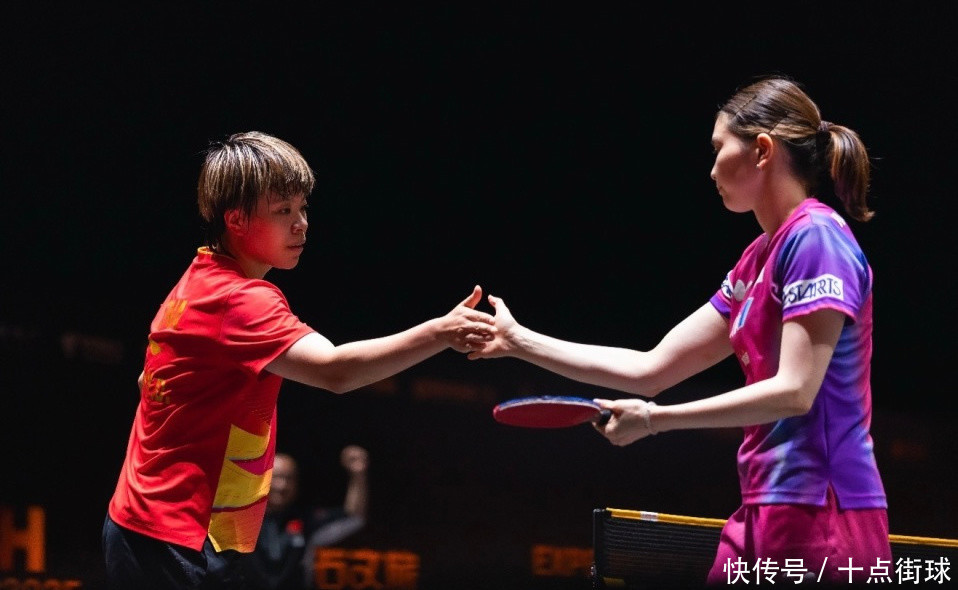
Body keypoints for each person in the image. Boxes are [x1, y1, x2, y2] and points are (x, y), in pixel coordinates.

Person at [469, 76, 891, 585]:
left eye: (718, 149)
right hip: (762, 506)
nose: (711, 169)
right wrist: (518, 341)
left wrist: (655, 420)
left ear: (762, 150)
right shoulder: (758, 259)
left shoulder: (816, 240)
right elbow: (653, 368)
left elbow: (795, 391)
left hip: (824, 511)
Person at [102, 131, 495, 589]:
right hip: (174, 539)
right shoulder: (241, 299)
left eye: (303, 208)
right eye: (283, 211)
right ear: (236, 219)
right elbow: (335, 371)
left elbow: (146, 381)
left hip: (149, 525)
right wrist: (440, 332)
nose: (301, 224)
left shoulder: (196, 281)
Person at [242, 447, 370, 590]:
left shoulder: (306, 519)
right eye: (276, 477)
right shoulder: (240, 519)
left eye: (289, 478)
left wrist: (357, 475)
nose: (282, 486)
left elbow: (353, 518)